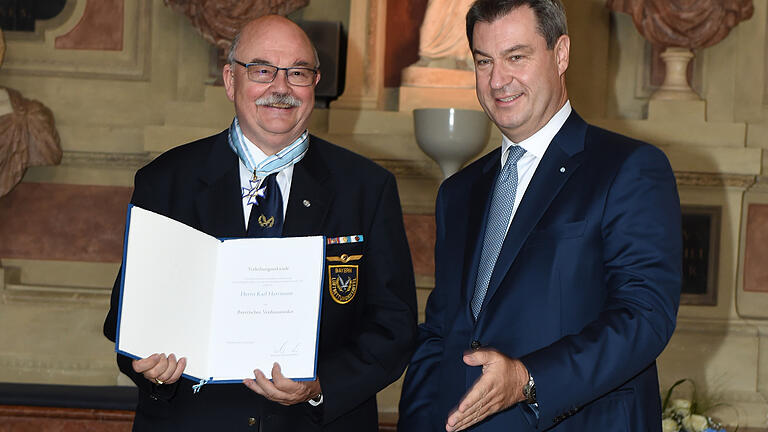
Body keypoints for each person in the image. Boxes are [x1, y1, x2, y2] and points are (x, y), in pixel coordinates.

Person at [103, 15, 417, 432]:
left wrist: (321, 386)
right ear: (231, 80)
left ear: (315, 83)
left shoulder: (367, 187)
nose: (281, 88)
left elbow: (394, 328)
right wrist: (150, 369)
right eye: (263, 70)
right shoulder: (166, 181)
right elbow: (128, 315)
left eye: (298, 73)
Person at [398, 1, 681, 431]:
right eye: (484, 61)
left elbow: (644, 317)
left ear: (561, 53)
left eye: (516, 57)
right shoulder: (459, 192)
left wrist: (528, 379)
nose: (498, 80)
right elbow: (440, 333)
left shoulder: (627, 167)